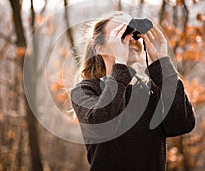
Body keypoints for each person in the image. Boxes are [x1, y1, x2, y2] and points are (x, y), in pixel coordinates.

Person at [70, 11, 195, 171]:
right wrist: (119, 63)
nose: (131, 40)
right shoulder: (85, 91)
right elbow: (104, 125)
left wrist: (162, 61)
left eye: (135, 36)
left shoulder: (151, 90)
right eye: (121, 35)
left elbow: (182, 124)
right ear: (100, 48)